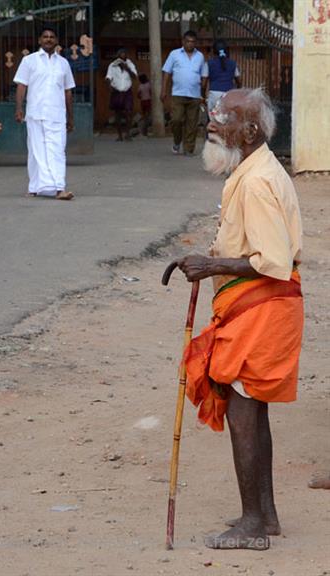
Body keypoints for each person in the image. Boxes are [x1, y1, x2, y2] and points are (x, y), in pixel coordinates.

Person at [175, 88, 304, 550]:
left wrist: (211, 266)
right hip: (260, 307)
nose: (212, 123)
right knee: (252, 410)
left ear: (249, 131)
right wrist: (212, 259)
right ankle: (264, 516)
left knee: (246, 414)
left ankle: (252, 524)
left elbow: (271, 259)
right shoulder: (253, 170)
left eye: (223, 117)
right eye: (212, 114)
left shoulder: (255, 181)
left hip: (262, 308)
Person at [14, 27, 75, 200]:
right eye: (45, 37)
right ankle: (34, 187)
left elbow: (68, 91)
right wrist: (19, 109)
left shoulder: (63, 63)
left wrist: (70, 117)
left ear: (56, 41)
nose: (48, 39)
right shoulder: (29, 61)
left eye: (52, 37)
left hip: (57, 115)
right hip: (35, 113)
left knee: (57, 151)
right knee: (36, 151)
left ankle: (59, 188)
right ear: (39, 40)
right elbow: (21, 85)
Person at [161, 30, 205, 156]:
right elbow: (167, 73)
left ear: (195, 43)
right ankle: (177, 141)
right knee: (176, 120)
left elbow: (203, 76)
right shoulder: (174, 54)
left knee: (192, 124)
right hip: (178, 94)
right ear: (183, 41)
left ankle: (189, 149)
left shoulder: (200, 56)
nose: (190, 44)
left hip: (194, 95)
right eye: (188, 41)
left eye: (193, 42)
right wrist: (163, 90)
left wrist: (202, 93)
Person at [203, 40, 242, 118]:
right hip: (228, 95)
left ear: (213, 51)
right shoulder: (233, 63)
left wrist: (203, 96)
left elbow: (203, 84)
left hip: (214, 95)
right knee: (226, 120)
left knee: (214, 120)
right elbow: (239, 82)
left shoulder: (209, 64)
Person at [105, 48, 138, 141]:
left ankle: (127, 134)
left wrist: (127, 68)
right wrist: (108, 84)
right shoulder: (112, 65)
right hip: (116, 91)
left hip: (127, 91)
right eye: (120, 55)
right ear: (117, 56)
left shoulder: (130, 64)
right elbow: (108, 77)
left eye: (124, 54)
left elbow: (135, 77)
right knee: (117, 114)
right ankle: (119, 135)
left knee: (129, 112)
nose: (122, 56)